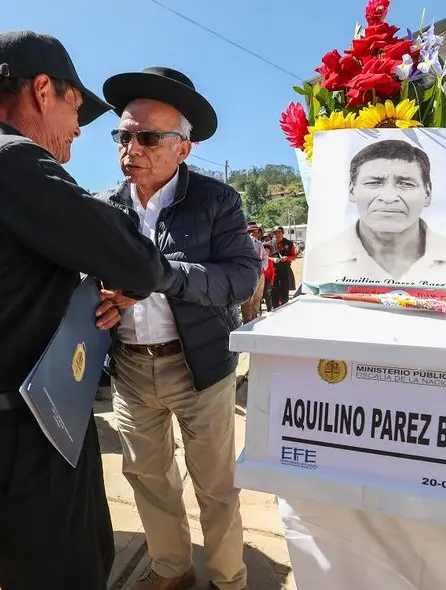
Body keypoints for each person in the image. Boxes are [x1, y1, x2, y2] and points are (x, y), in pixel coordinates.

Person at [0, 32, 182, 590]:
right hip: (18, 440)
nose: (79, 128)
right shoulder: (6, 160)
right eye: (75, 107)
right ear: (40, 90)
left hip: (24, 425)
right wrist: (125, 274)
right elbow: (137, 261)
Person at [98, 66, 259, 590]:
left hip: (201, 369)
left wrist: (158, 276)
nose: (131, 149)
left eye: (147, 138)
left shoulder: (217, 201)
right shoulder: (103, 207)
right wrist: (96, 298)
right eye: (123, 136)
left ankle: (229, 579)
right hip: (129, 369)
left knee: (215, 485)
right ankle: (172, 569)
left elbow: (240, 278)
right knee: (148, 478)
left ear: (182, 149)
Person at [307, 139, 446, 288]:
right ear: (352, 191)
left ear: (428, 193)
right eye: (374, 183)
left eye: (406, 184)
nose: (389, 197)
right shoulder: (318, 265)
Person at [241, 222, 267, 322]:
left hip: (259, 275)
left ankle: (254, 320)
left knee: (257, 299)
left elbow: (265, 258)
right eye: (250, 231)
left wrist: (263, 267)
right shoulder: (241, 244)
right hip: (247, 275)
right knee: (247, 301)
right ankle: (246, 322)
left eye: (254, 231)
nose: (252, 233)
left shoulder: (259, 244)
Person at [270, 226, 297, 308]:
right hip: (274, 270)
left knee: (285, 289)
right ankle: (275, 308)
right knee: (274, 290)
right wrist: (273, 259)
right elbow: (265, 257)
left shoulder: (289, 243)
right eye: (275, 233)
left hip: (285, 269)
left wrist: (287, 258)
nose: (277, 235)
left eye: (279, 232)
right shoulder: (269, 244)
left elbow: (294, 256)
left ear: (283, 233)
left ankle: (285, 307)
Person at [262, 243, 276, 312]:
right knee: (259, 296)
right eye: (265, 251)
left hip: (267, 280)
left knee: (267, 295)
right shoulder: (259, 260)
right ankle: (258, 311)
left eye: (268, 252)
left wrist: (271, 281)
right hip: (260, 279)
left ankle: (269, 310)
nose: (266, 253)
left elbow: (272, 272)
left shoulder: (270, 261)